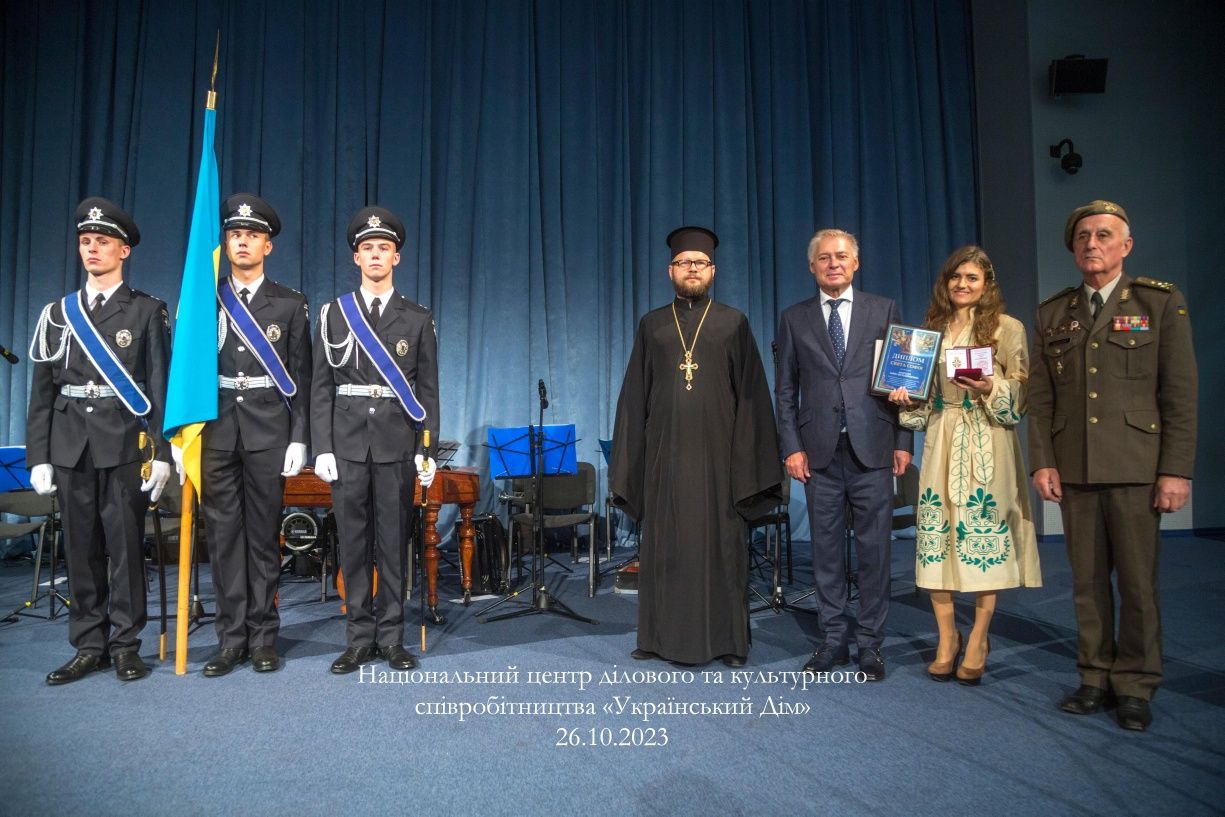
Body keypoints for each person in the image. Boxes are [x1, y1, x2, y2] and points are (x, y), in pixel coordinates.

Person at [1029, 200, 1196, 731]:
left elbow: (1180, 395)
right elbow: (1043, 399)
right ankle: (1094, 675)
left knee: (1138, 584)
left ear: (1126, 246)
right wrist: (1043, 463)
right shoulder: (1053, 312)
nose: (1091, 244)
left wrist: (1177, 470)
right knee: (1087, 582)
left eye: (1103, 235)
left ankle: (1136, 684)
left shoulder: (1158, 303)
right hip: (1075, 467)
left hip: (1136, 466)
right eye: (1082, 236)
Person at [610, 226, 780, 667]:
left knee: (722, 549)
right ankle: (656, 638)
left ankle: (728, 642)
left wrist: (750, 465)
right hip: (665, 459)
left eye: (699, 263)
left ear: (713, 271)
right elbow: (633, 399)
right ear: (671, 270)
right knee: (665, 548)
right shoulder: (652, 325)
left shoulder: (733, 323)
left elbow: (752, 398)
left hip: (720, 460)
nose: (692, 269)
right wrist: (632, 464)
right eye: (684, 263)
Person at [26, 197, 172, 684]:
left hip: (125, 444)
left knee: (126, 548)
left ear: (123, 251)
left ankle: (127, 644)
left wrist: (163, 452)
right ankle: (89, 644)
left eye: (103, 242)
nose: (92, 249)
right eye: (86, 241)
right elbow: (42, 391)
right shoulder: (57, 314)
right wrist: (38, 455)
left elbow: (158, 388)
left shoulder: (148, 310)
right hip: (70, 445)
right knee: (81, 550)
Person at [887, 246, 1041, 685]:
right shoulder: (930, 331)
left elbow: (1022, 395)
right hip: (942, 435)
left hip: (988, 440)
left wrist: (993, 385)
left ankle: (979, 638)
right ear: (945, 283)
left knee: (980, 536)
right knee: (938, 537)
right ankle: (946, 636)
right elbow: (922, 399)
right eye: (956, 277)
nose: (962, 285)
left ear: (987, 284)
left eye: (972, 278)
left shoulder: (1008, 329)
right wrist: (905, 398)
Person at [775, 228, 913, 681]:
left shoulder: (883, 309)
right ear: (811, 268)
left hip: (872, 448)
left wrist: (903, 441)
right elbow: (785, 391)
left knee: (875, 551)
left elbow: (904, 382)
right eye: (823, 258)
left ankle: (871, 643)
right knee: (826, 553)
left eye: (841, 257)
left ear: (855, 264)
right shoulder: (794, 318)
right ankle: (833, 638)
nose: (833, 264)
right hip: (818, 454)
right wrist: (791, 447)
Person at [311, 206, 439, 674]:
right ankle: (358, 638)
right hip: (346, 445)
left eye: (384, 248)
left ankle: (392, 638)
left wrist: (426, 448)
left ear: (396, 257)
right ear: (356, 257)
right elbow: (321, 386)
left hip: (396, 444)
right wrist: (321, 446)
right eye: (368, 248)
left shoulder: (418, 317)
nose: (376, 255)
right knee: (353, 543)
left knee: (392, 545)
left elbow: (427, 391)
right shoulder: (332, 315)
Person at [195, 194, 311, 677]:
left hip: (268, 433)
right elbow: (187, 374)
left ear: (268, 245)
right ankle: (230, 638)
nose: (241, 241)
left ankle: (264, 636)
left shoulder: (290, 304)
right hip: (216, 432)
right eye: (233, 234)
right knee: (223, 541)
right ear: (226, 243)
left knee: (263, 539)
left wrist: (300, 438)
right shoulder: (205, 297)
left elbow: (303, 378)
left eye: (251, 235)